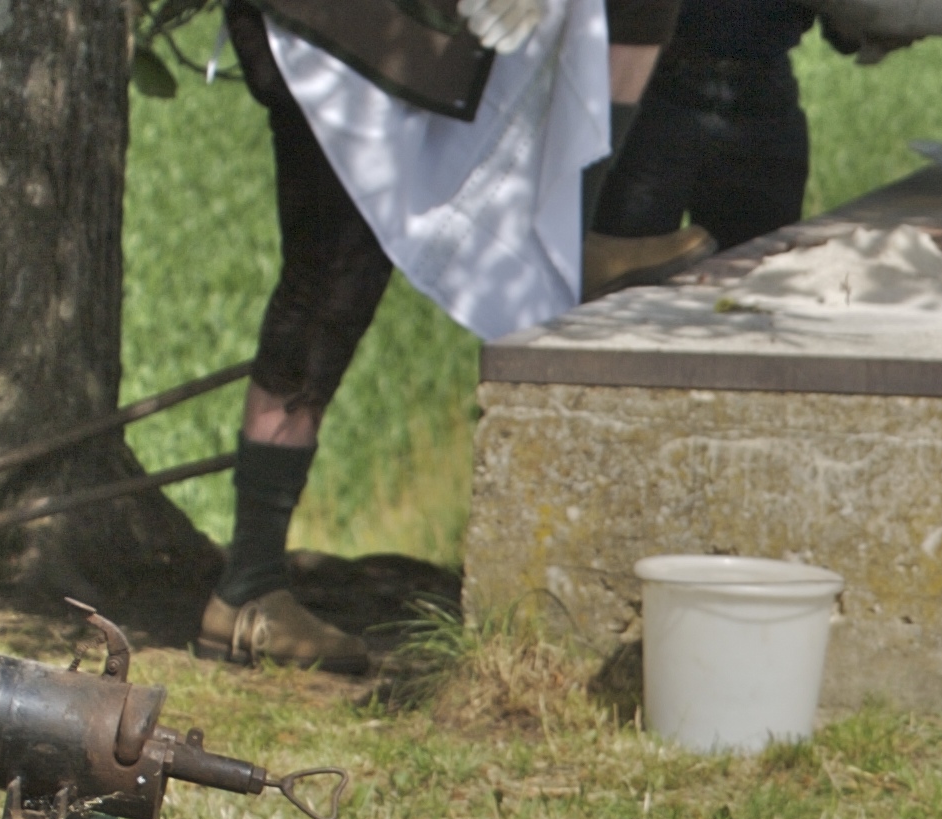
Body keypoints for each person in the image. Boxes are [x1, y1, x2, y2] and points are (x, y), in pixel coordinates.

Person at [208, 0, 662, 670]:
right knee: (330, 279)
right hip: (334, 34)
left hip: (400, 36)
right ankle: (246, 590)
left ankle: (574, 229)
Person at [590, 0, 830, 294]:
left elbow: (854, 27)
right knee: (617, 280)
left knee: (761, 284)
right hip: (658, 89)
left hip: (764, 96)